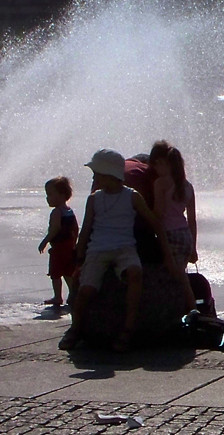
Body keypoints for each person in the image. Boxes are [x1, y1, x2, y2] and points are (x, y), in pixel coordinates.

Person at [58, 149, 179, 353]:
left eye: (97, 173)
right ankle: (75, 328)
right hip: (98, 249)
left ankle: (128, 328)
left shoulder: (132, 197)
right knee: (86, 289)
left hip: (125, 247)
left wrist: (166, 254)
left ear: (109, 174)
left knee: (135, 273)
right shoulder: (95, 199)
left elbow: (154, 223)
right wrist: (79, 255)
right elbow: (87, 228)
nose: (94, 177)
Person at [150, 140, 199, 312]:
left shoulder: (161, 183)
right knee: (179, 274)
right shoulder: (187, 186)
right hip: (184, 234)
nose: (155, 168)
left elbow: (159, 212)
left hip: (169, 234)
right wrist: (193, 247)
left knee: (178, 276)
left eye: (158, 164)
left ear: (167, 164)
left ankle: (193, 311)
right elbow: (192, 219)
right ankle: (181, 309)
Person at [37, 176, 78, 308]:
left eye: (49, 194)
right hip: (69, 247)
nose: (47, 198)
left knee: (55, 273)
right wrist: (75, 243)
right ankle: (73, 294)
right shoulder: (69, 211)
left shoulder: (57, 212)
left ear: (61, 195)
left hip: (59, 248)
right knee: (68, 272)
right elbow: (75, 228)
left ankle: (58, 297)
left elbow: (55, 229)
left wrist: (45, 241)